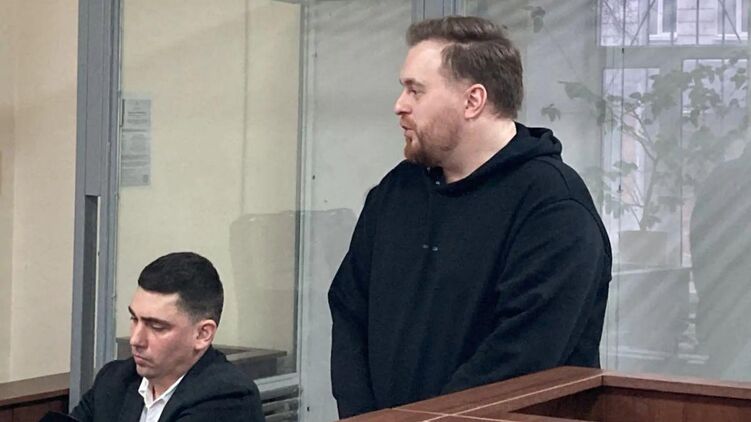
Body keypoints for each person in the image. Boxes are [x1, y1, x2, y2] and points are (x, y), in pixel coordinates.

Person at [328, 16, 612, 418]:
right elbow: (349, 308)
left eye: (415, 90)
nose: (400, 105)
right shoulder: (397, 190)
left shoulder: (553, 208)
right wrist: (364, 416)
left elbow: (523, 360)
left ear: (473, 100)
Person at [71, 252, 265, 422]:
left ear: (202, 334)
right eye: (134, 319)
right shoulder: (115, 379)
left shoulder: (229, 397)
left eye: (156, 327)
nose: (135, 340)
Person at [690, 142, 751, 378]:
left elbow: (699, 242)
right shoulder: (726, 179)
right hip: (729, 314)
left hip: (718, 314)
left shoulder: (720, 178)